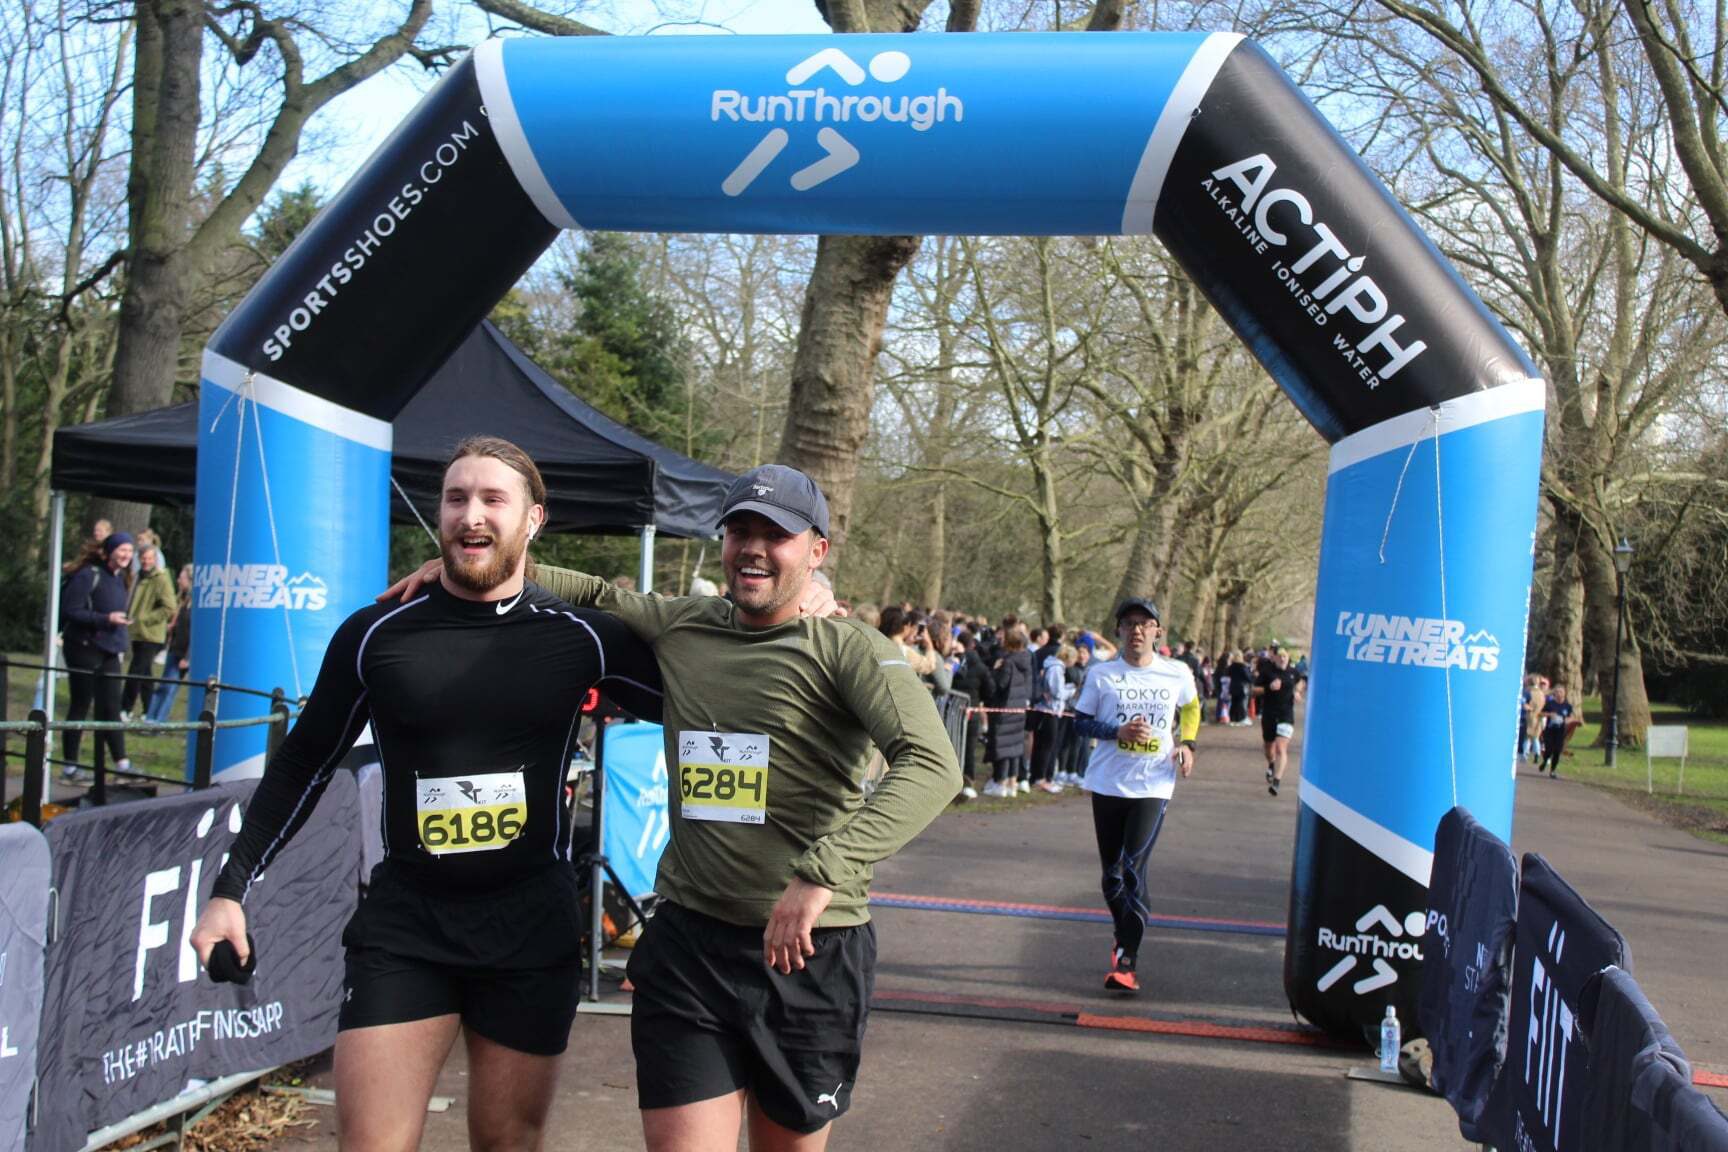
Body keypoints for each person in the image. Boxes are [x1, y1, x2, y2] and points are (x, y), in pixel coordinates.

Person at [395, 463, 959, 1151]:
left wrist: (823, 872)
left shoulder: (849, 650)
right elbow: (596, 591)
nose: (752, 548)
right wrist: (467, 564)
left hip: (808, 952)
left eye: (775, 535)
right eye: (739, 531)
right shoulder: (686, 625)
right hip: (690, 944)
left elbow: (933, 766)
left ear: (816, 551)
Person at [190, 437, 664, 1152]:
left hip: (529, 927)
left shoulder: (585, 640)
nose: (471, 515)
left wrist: (804, 619)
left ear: (534, 520)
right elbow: (301, 764)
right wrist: (230, 889)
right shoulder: (376, 633)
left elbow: (711, 689)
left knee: (506, 1144)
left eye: (492, 500)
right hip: (407, 923)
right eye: (456, 498)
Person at [1070, 598, 1200, 994]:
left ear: (1158, 631)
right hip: (1109, 782)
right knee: (1110, 877)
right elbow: (1080, 724)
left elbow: (1192, 708)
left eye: (1145, 623)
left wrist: (1188, 744)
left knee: (1131, 868)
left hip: (1153, 784)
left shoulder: (1176, 673)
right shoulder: (1101, 674)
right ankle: (1122, 929)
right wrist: (1116, 733)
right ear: (1119, 632)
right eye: (1129, 624)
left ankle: (1127, 960)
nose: (1137, 630)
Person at [59, 532, 135, 778]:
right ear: (109, 551)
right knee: (81, 704)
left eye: (129, 551)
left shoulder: (120, 578)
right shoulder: (87, 575)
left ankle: (122, 763)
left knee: (112, 706)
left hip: (110, 649)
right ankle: (70, 764)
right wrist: (105, 619)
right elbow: (71, 610)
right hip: (83, 647)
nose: (126, 555)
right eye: (121, 550)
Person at [121, 543, 177, 718]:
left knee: (135, 671)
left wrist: (145, 619)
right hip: (137, 632)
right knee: (145, 674)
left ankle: (125, 708)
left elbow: (169, 607)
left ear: (155, 559)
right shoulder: (139, 576)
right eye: (143, 558)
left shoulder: (161, 578)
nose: (146, 561)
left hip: (151, 635)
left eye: (149, 558)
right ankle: (148, 711)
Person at [984, 625, 1034, 797]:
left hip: (1005, 709)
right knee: (1015, 746)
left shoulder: (1008, 662)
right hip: (1019, 708)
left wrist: (994, 670)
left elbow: (1000, 685)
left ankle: (1001, 783)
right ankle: (1013, 783)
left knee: (1004, 747)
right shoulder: (1026, 659)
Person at [1252, 647, 1306, 797]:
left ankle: (1276, 781)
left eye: (1285, 656)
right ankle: (1271, 764)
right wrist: (1268, 688)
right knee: (1269, 748)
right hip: (1269, 714)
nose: (1283, 659)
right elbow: (1254, 690)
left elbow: (1301, 681)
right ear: (1275, 658)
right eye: (1280, 656)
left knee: (1281, 748)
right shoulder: (1267, 672)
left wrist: (1297, 690)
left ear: (1288, 658)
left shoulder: (1292, 672)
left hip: (1286, 715)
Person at [146, 564, 195, 722]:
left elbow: (195, 632)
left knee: (169, 688)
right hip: (174, 649)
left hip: (183, 653)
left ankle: (158, 722)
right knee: (164, 686)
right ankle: (150, 719)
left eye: (182, 577)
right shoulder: (183, 600)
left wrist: (188, 658)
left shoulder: (196, 604)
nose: (179, 580)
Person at [1030, 643, 1075, 793]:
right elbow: (1058, 693)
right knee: (1046, 747)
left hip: (1049, 711)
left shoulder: (1053, 667)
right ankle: (1040, 778)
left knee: (1043, 746)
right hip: (1049, 712)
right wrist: (1072, 690)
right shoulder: (1056, 669)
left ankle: (1040, 777)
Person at [1538, 684, 1577, 778]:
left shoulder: (1567, 706)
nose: (1559, 694)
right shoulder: (1550, 704)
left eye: (1561, 692)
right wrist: (1549, 714)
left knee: (1557, 751)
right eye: (1557, 692)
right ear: (1554, 693)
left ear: (1564, 693)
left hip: (1560, 731)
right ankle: (1545, 761)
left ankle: (1552, 770)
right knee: (1549, 749)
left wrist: (1567, 720)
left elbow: (1572, 717)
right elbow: (1540, 713)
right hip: (1549, 730)